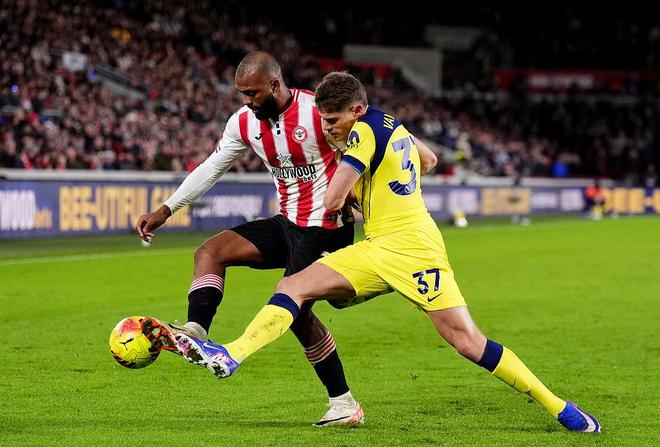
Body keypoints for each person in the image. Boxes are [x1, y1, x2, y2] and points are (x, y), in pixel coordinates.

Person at [144, 71, 601, 432]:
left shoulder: (361, 134)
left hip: (393, 247)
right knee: (463, 340)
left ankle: (246, 356)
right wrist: (386, 186)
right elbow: (429, 160)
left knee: (458, 338)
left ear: (356, 111)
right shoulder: (389, 123)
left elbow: (332, 199)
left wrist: (350, 183)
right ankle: (562, 409)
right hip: (410, 244)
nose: (328, 129)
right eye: (323, 122)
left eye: (333, 121)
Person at [136, 52, 437, 427]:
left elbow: (375, 144)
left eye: (253, 93)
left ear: (275, 84)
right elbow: (212, 167)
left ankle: (343, 401)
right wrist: (167, 209)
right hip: (288, 222)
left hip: (326, 226)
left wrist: (358, 195)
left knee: (297, 309)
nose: (247, 100)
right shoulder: (243, 122)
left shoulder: (318, 113)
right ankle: (196, 333)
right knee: (211, 251)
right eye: (242, 93)